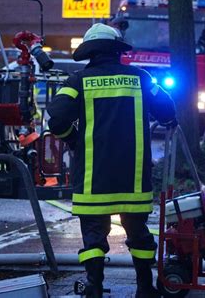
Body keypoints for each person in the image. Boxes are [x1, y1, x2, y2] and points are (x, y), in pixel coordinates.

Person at [48, 23, 176, 298]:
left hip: (94, 181)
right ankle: (145, 288)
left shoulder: (77, 81)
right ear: (118, 50)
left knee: (93, 237)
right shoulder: (141, 78)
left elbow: (56, 120)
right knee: (139, 234)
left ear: (90, 53)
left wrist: (74, 140)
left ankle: (93, 286)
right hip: (133, 178)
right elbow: (167, 110)